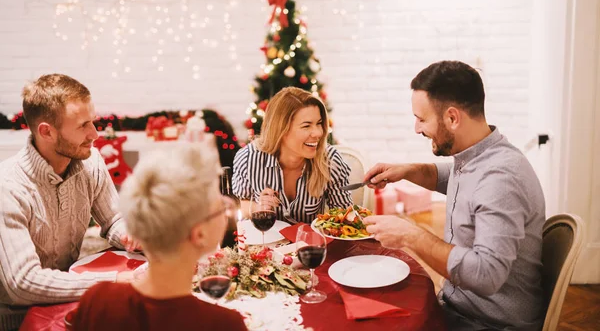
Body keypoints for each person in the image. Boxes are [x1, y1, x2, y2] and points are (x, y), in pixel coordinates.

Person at [362, 61, 546, 330]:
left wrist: (409, 235)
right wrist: (405, 170)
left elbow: (486, 275)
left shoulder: (501, 178)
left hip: (485, 323)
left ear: (452, 118)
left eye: (422, 119)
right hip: (459, 310)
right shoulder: (479, 157)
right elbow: (453, 177)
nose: (417, 129)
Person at [0, 74, 139, 330]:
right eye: (82, 125)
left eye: (93, 122)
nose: (95, 134)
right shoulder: (8, 187)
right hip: (17, 321)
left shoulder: (91, 161)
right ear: (47, 132)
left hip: (72, 305)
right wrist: (115, 280)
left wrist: (133, 235)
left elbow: (114, 219)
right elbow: (23, 283)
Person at [71, 141, 247, 331]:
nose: (226, 208)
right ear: (199, 234)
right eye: (220, 205)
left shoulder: (98, 300)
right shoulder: (223, 324)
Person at [233, 87, 353, 224]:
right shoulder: (249, 158)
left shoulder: (330, 160)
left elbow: (344, 216)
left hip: (311, 244)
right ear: (281, 129)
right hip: (266, 243)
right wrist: (259, 207)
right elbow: (242, 206)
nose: (318, 133)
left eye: (319, 124)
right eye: (306, 126)